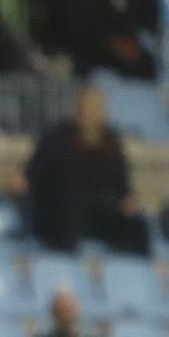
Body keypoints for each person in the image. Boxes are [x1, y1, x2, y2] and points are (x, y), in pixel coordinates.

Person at [26, 85, 150, 254]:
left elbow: (121, 185)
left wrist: (127, 202)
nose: (90, 113)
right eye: (86, 107)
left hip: (97, 214)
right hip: (60, 213)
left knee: (137, 225)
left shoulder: (110, 143)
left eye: (95, 108)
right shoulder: (57, 138)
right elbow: (34, 174)